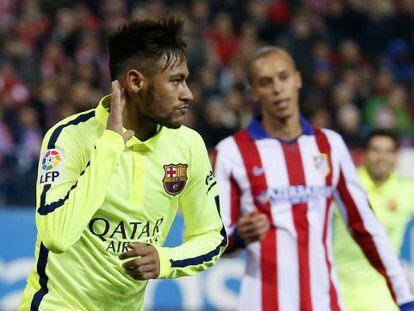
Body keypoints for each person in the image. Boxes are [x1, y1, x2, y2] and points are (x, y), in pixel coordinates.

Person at [20, 17, 226, 311]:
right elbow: (57, 235)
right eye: (175, 80)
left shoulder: (188, 145)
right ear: (136, 81)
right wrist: (110, 145)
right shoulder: (70, 137)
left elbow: (211, 235)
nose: (188, 93)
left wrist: (165, 260)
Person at [213, 46, 414, 311]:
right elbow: (215, 240)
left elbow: (365, 225)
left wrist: (405, 297)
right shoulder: (231, 152)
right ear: (253, 93)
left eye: (283, 77)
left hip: (323, 302)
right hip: (262, 303)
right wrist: (238, 237)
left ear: (297, 79)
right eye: (265, 82)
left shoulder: (330, 145)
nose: (277, 88)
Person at [334, 130, 414, 311]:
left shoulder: (407, 190)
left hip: (386, 297)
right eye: (376, 150)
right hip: (341, 292)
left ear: (396, 157)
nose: (382, 157)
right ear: (363, 154)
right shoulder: (345, 185)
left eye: (388, 151)